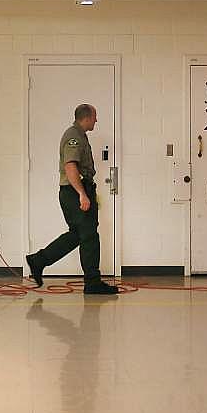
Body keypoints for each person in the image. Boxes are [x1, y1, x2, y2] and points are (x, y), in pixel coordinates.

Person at [26, 104, 119, 295]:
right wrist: (82, 194)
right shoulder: (73, 136)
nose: (96, 120)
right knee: (90, 236)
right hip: (74, 191)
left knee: (78, 234)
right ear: (87, 117)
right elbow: (70, 166)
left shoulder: (79, 134)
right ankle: (92, 283)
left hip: (76, 190)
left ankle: (38, 260)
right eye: (95, 117)